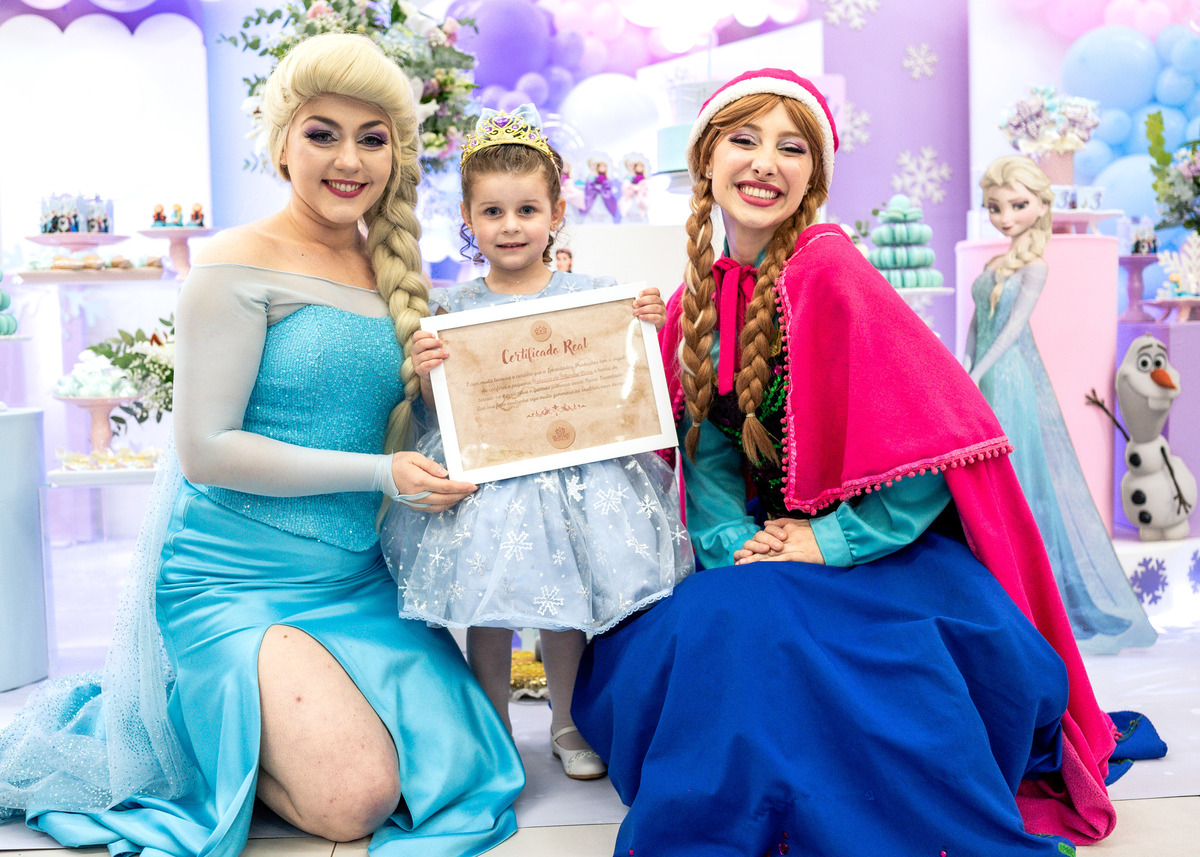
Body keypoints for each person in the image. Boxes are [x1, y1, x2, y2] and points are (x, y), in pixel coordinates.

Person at [573, 69, 1125, 856]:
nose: (766, 162)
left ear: (814, 177)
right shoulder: (697, 302)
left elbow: (933, 445)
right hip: (769, 548)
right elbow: (710, 459)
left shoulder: (831, 272)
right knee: (719, 619)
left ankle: (829, 807)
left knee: (781, 634)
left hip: (876, 551)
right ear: (705, 159)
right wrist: (738, 544)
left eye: (791, 148)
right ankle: (757, 800)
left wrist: (825, 539)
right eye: (744, 139)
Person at [0, 34, 523, 857]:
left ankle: (250, 726)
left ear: (395, 152)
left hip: (354, 578)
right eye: (322, 133)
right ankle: (187, 725)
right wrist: (381, 473)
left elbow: (402, 414)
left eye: (372, 138)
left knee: (459, 766)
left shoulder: (391, 267)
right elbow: (207, 450)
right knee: (358, 800)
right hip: (234, 579)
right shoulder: (234, 263)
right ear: (281, 143)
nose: (348, 159)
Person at [380, 104, 693, 781]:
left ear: (556, 214)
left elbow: (629, 376)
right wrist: (429, 372)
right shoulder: (453, 308)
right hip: (487, 483)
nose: (511, 225)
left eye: (527, 210)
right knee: (486, 603)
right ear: (468, 220)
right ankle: (492, 726)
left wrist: (646, 323)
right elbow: (440, 411)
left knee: (566, 601)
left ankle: (567, 721)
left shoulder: (594, 293)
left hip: (575, 476)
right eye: (492, 212)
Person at [964, 155, 1155, 654]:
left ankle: (1036, 595)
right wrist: (963, 370)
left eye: (1016, 205)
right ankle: (996, 584)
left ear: (1041, 206)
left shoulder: (1036, 267)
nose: (1005, 217)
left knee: (1020, 477)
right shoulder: (991, 267)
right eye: (995, 208)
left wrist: (979, 372)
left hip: (1010, 379)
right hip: (982, 376)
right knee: (987, 476)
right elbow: (976, 328)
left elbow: (1011, 331)